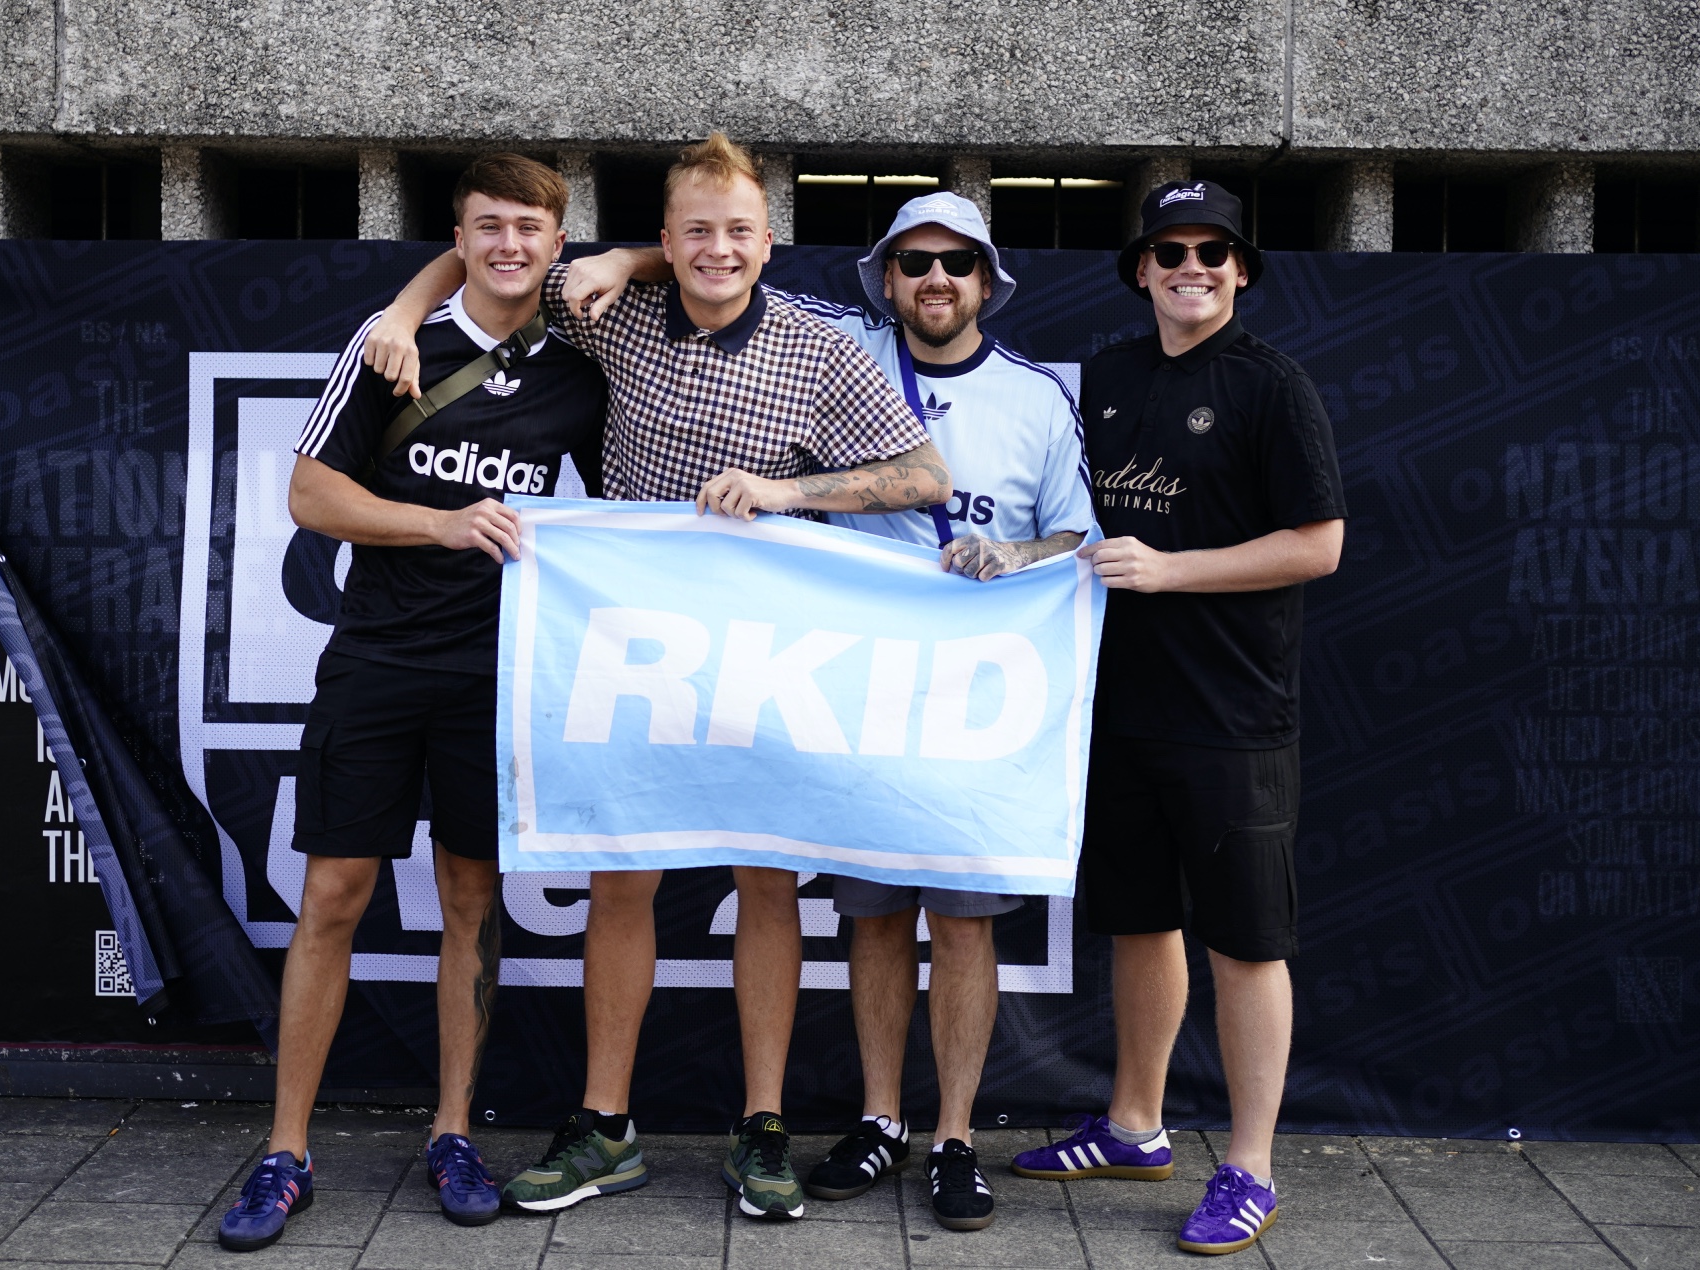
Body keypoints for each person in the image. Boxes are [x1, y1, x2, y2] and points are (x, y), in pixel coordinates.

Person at [362, 133, 952, 1222]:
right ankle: (604, 1124)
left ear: (768, 243)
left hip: (764, 653)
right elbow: (489, 257)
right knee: (620, 876)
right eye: (693, 232)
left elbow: (926, 474)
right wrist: (398, 319)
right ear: (666, 242)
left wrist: (790, 495)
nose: (716, 250)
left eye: (737, 231)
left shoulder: (821, 349)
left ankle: (762, 1124)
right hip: (629, 646)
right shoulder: (613, 312)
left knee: (763, 880)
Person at [556, 188, 1091, 1232]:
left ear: (988, 280)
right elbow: (716, 255)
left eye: (957, 263)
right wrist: (625, 260)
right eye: (914, 262)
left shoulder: (1034, 397)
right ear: (881, 279)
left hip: (968, 689)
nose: (935, 280)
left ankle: (954, 1139)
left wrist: (1013, 554)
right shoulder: (836, 339)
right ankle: (880, 1120)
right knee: (872, 914)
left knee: (962, 921)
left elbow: (1075, 537)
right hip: (837, 678)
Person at [216, 154, 608, 1249]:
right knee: (332, 895)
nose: (508, 246)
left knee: (470, 907)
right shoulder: (392, 346)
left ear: (551, 241)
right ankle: (284, 1151)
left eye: (528, 228)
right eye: (487, 227)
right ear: (461, 235)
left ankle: (451, 1132)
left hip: (496, 674)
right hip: (377, 662)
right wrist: (438, 522)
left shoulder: (579, 367)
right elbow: (310, 492)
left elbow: (675, 275)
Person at [1008, 180, 1345, 1257]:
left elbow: (1316, 544)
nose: (1188, 266)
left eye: (1211, 250)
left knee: (1245, 944)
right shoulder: (1104, 374)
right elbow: (1080, 524)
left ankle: (1247, 1167)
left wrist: (1169, 571)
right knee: (1140, 923)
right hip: (1114, 705)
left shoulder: (1271, 388)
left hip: (1232, 714)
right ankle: (1132, 1126)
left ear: (1240, 268)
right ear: (1140, 268)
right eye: (1168, 249)